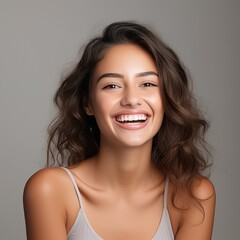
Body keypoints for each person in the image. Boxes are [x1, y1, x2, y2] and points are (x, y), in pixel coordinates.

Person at [23, 21, 215, 240]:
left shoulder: (193, 196)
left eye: (148, 84)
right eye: (112, 86)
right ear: (88, 104)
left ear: (167, 99)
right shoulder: (50, 191)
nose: (132, 100)